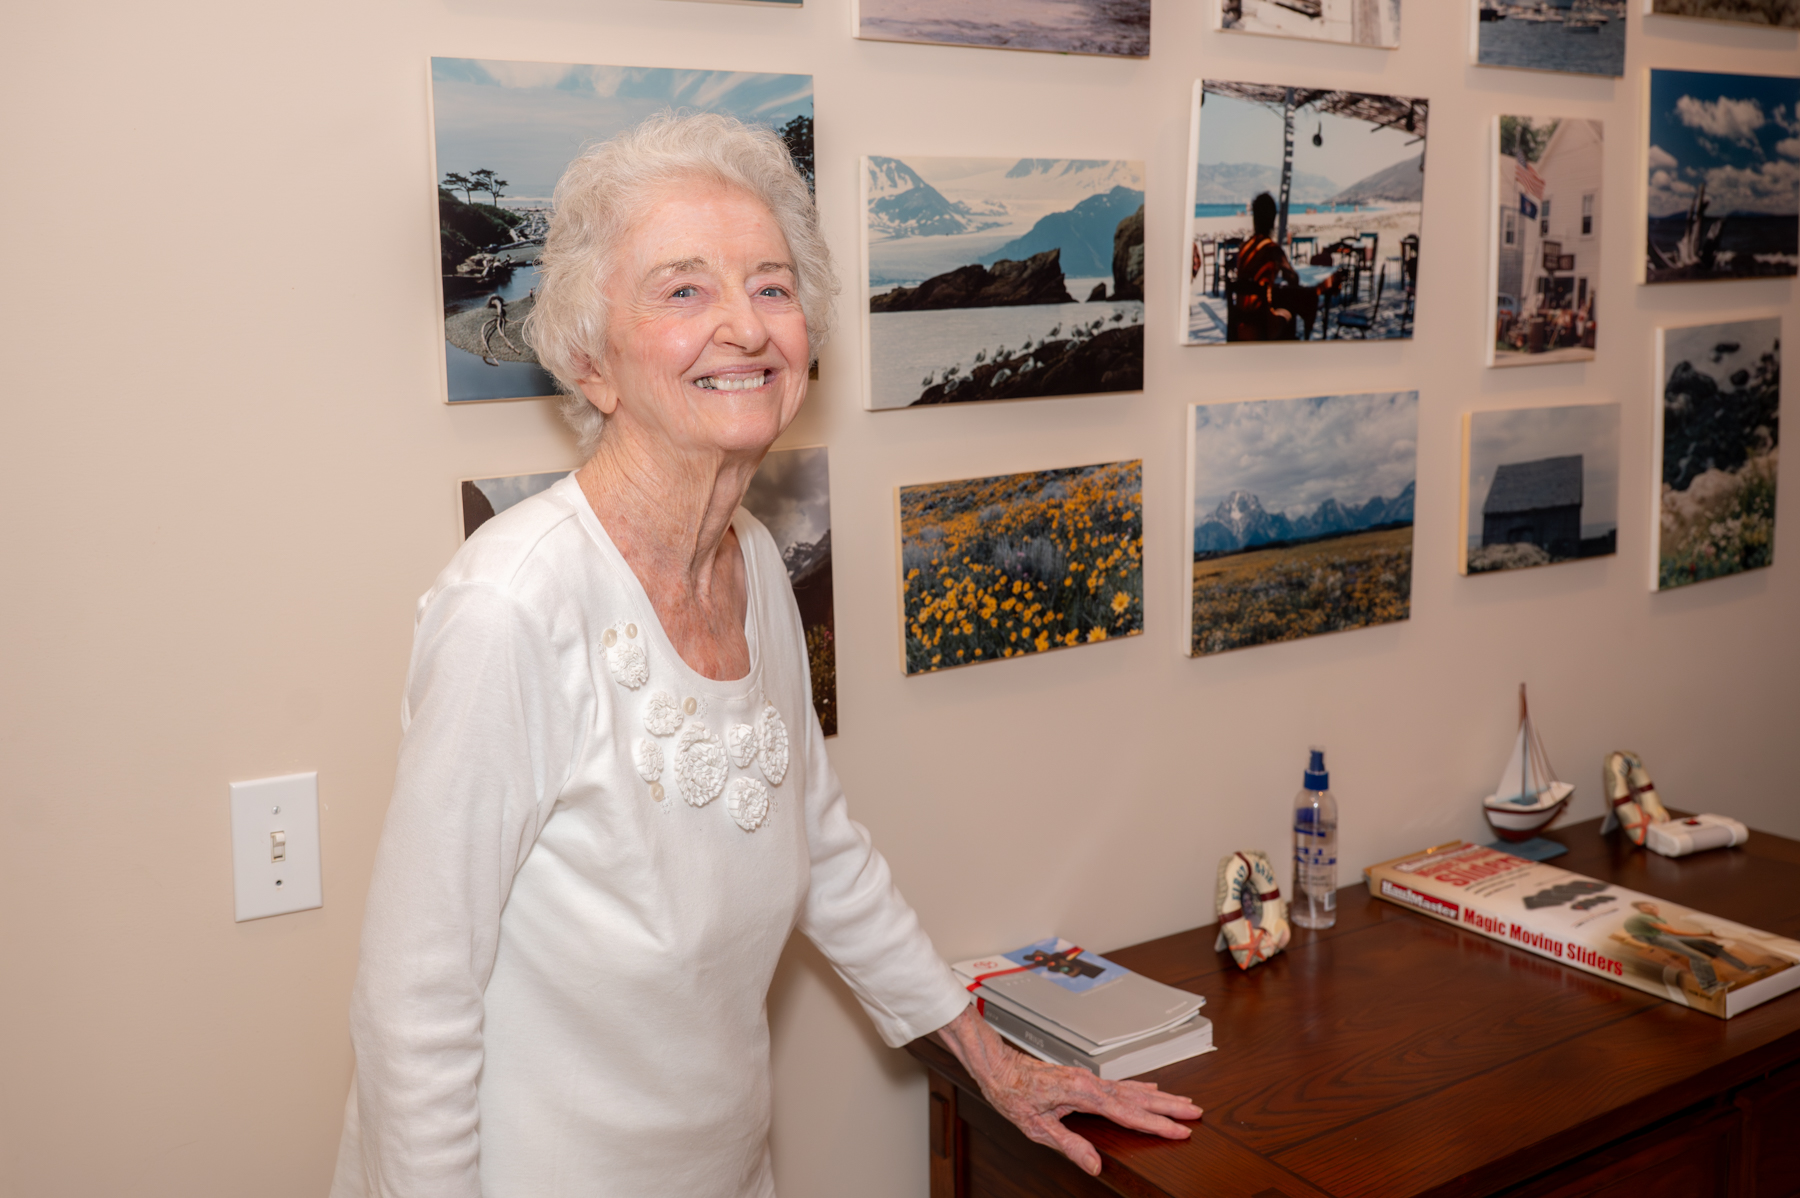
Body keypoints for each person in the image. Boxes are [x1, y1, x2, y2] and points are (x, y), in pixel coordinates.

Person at [327, 112, 1200, 1198]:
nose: (744, 326)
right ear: (593, 361)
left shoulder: (749, 559)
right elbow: (414, 1003)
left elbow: (819, 846)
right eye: (684, 289)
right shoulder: (509, 606)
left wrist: (993, 1061)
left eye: (772, 286)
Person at [1622, 901, 1752, 994]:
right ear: (1641, 910)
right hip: (1654, 938)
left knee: (1707, 944)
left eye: (1651, 905)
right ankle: (1709, 986)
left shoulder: (1657, 917)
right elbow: (1674, 932)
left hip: (1661, 935)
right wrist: (1708, 934)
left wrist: (1707, 937)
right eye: (1645, 907)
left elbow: (1669, 932)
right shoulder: (1643, 917)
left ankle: (1746, 968)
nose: (1650, 908)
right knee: (1701, 958)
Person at [1228, 192, 1301, 342]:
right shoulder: (1272, 249)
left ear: (1254, 219)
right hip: (1263, 325)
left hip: (1240, 325)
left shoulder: (1244, 248)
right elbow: (1294, 279)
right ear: (1273, 220)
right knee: (1290, 313)